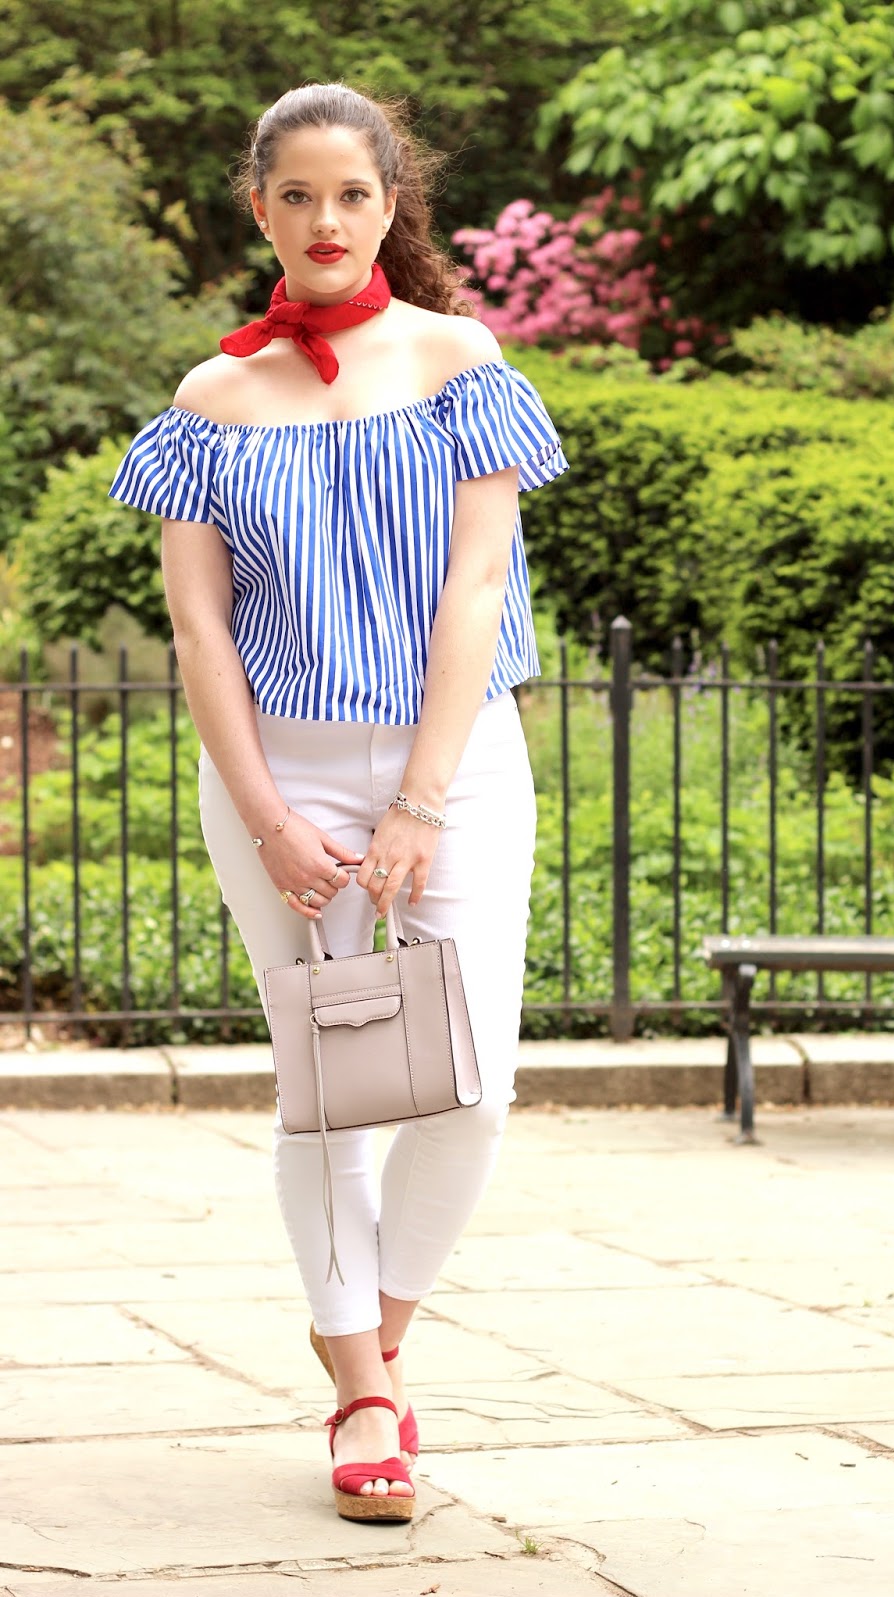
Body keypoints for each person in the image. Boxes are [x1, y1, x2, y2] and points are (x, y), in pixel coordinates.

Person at [109, 82, 566, 1523]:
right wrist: (269, 819)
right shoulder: (210, 402)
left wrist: (422, 802)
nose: (324, 220)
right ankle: (365, 1396)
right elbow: (198, 635)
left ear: (390, 206)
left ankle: (371, 1332)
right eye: (296, 196)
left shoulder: (459, 361)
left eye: (351, 195)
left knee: (470, 1085)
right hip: (282, 773)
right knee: (327, 1095)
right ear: (261, 209)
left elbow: (475, 588)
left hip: (458, 763)